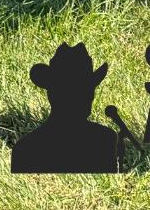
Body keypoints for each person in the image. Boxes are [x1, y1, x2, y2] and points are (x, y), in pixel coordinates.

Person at [11, 43, 120, 173]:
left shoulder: (25, 148)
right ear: (54, 95)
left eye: (88, 90)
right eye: (80, 91)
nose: (89, 97)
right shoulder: (104, 140)